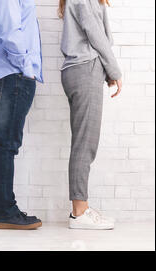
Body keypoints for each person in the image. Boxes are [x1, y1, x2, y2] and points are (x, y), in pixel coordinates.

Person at [59, 0, 122, 230]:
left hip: (82, 69)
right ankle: (79, 211)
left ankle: (80, 208)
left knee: (84, 142)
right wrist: (114, 71)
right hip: (85, 69)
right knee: (85, 144)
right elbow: (96, 35)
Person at [0, 0, 43, 230]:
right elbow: (10, 32)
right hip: (12, 74)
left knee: (5, 145)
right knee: (5, 146)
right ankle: (4, 212)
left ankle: (4, 210)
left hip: (13, 74)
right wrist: (26, 68)